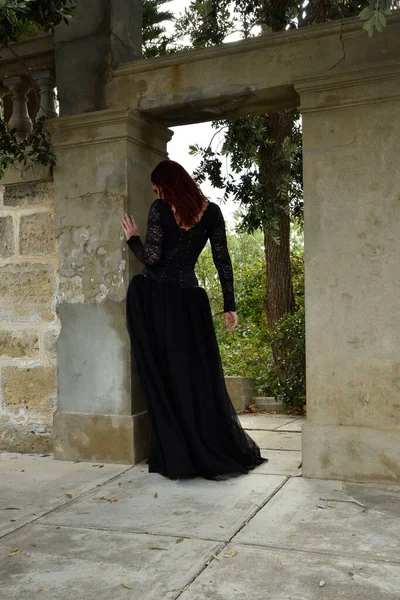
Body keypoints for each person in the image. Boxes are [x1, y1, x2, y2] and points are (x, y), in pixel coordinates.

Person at [121, 159, 267, 480]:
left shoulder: (160, 208)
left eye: (158, 187)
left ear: (165, 185)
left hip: (157, 300)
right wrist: (230, 306)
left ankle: (177, 451)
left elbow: (152, 258)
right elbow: (222, 260)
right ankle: (203, 446)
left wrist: (133, 238)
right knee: (195, 376)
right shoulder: (211, 212)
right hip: (191, 302)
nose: (156, 192)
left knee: (163, 376)